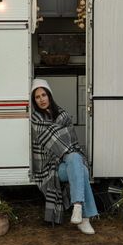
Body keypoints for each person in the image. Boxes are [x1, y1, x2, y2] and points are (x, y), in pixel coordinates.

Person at [30, 78, 98, 234]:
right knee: (80, 167)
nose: (41, 99)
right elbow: (56, 139)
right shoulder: (36, 118)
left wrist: (61, 136)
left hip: (67, 160)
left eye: (44, 95)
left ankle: (78, 209)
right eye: (37, 97)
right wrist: (62, 135)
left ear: (49, 96)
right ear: (34, 101)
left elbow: (70, 140)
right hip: (50, 167)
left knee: (76, 161)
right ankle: (84, 217)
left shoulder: (63, 115)